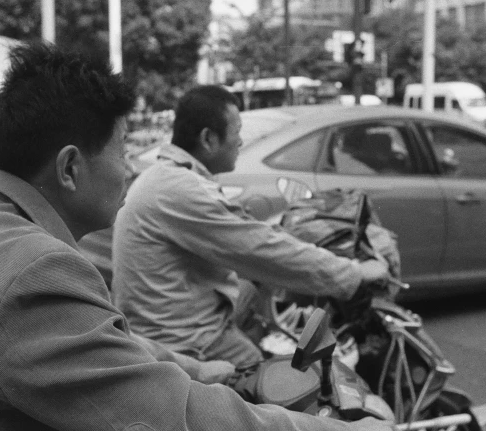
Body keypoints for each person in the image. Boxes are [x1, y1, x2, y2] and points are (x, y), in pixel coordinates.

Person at [0, 43, 400, 431]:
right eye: (122, 149)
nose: (130, 167)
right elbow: (177, 425)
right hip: (190, 357)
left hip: (187, 357)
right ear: (69, 168)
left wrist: (192, 369)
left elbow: (97, 337)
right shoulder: (32, 270)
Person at [112, 85, 393, 368]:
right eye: (237, 132)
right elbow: (261, 249)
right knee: (280, 387)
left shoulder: (164, 178)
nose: (240, 142)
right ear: (209, 138)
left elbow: (248, 236)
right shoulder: (181, 189)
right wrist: (353, 274)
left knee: (255, 287)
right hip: (187, 343)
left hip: (165, 322)